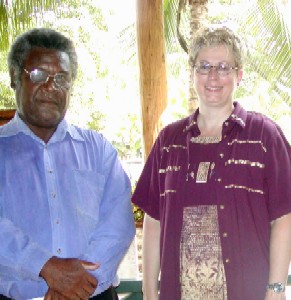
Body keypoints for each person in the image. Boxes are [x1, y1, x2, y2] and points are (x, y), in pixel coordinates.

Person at [132, 26, 291, 300]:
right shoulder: (169, 141)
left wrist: (275, 291)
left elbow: (284, 218)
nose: (213, 76)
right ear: (192, 73)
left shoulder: (265, 136)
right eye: (204, 66)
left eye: (224, 67)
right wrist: (149, 292)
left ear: (239, 75)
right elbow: (153, 219)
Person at [0, 28, 135, 300]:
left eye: (61, 78)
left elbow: (118, 225)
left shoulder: (98, 150)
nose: (51, 87)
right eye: (38, 75)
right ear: (15, 78)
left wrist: (76, 287)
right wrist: (45, 266)